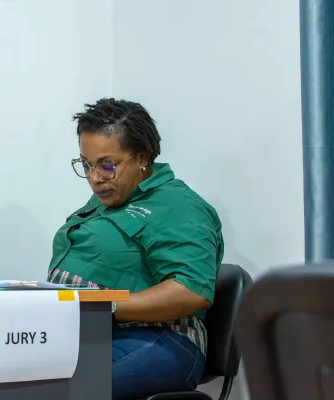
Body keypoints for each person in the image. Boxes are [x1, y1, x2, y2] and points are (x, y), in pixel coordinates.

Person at [48, 98, 223, 399]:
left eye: (107, 165)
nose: (95, 178)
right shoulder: (109, 199)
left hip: (161, 338)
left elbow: (190, 290)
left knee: (51, 391)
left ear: (141, 158)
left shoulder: (178, 206)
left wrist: (103, 307)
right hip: (92, 334)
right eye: (86, 165)